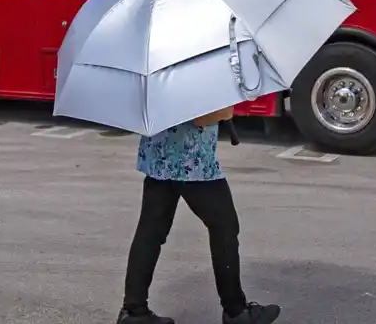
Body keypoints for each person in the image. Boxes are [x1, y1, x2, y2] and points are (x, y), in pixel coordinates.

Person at [117, 106, 281, 324]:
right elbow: (202, 118)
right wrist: (227, 112)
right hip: (192, 163)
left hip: (158, 157)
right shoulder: (192, 73)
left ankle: (134, 311)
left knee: (150, 233)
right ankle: (236, 311)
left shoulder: (160, 73)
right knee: (225, 228)